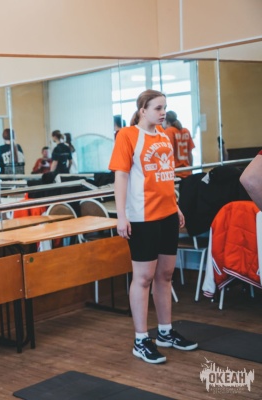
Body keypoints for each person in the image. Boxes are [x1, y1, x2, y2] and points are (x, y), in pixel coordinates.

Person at [109, 89, 197, 364]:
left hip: (167, 214)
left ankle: (165, 332)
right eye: (158, 108)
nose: (163, 113)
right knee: (144, 277)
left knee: (165, 275)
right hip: (142, 217)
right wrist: (121, 215)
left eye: (164, 108)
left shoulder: (164, 136)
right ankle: (140, 339)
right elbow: (121, 177)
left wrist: (176, 206)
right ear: (142, 110)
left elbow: (165, 176)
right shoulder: (127, 135)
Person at [165, 111, 194, 178]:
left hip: (176, 172)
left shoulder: (169, 131)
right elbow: (190, 153)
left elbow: (168, 153)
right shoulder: (186, 131)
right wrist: (191, 169)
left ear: (166, 121)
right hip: (187, 172)